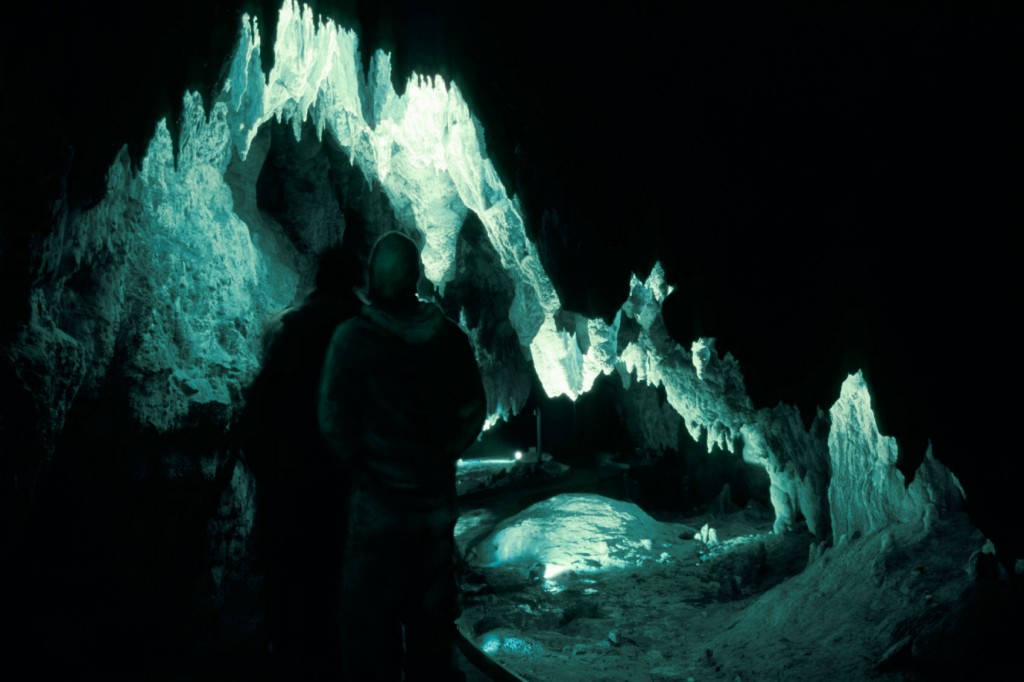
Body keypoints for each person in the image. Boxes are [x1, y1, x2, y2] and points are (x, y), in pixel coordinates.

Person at [319, 231, 486, 682]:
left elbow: (333, 421)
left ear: (375, 277)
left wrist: (366, 470)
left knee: (369, 640)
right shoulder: (448, 338)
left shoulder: (354, 339)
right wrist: (444, 454)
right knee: (431, 638)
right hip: (432, 516)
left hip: (378, 519)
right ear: (415, 276)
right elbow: (475, 408)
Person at [238, 243, 363, 680]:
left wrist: (261, 463)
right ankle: (327, 660)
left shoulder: (289, 325)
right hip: (338, 475)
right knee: (329, 576)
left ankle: (284, 654)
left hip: (287, 468)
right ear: (356, 279)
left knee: (286, 570)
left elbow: (263, 400)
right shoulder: (363, 327)